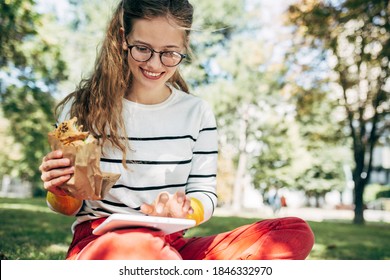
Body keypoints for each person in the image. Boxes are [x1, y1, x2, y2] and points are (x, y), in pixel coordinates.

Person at [39, 0, 314, 260]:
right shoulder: (82, 106)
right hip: (102, 243)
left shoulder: (197, 112)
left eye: (169, 53)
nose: (155, 64)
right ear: (124, 38)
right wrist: (61, 188)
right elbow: (69, 208)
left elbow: (204, 194)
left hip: (171, 242)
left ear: (185, 46)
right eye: (143, 49)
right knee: (143, 247)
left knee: (293, 232)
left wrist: (183, 210)